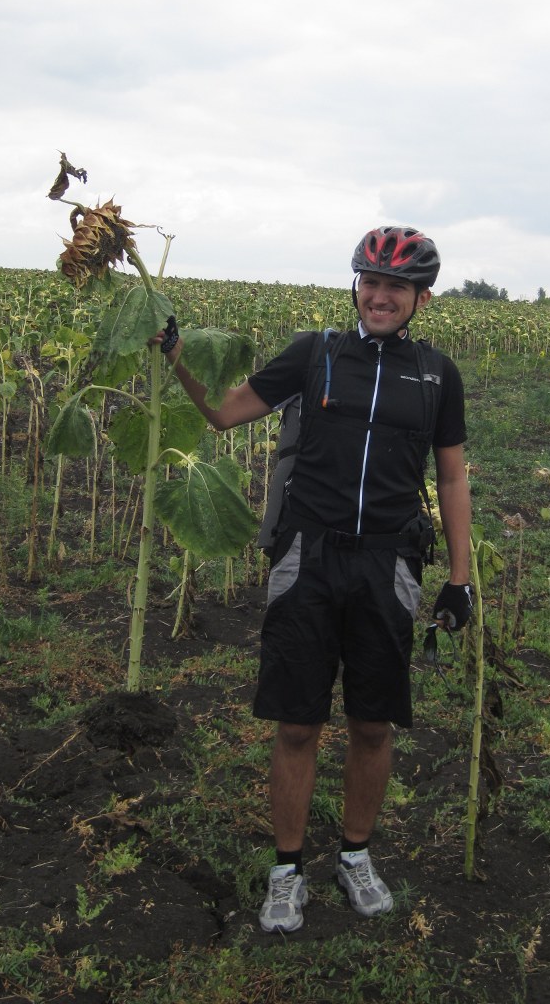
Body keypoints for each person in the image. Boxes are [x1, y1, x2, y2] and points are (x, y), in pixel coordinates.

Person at [156, 225, 472, 934]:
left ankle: (355, 855)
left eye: (396, 287)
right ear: (356, 286)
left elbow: (452, 477)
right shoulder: (316, 352)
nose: (380, 296)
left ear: (422, 298)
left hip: (389, 563)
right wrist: (177, 357)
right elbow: (224, 412)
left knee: (373, 722)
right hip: (308, 556)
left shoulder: (436, 375)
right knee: (297, 722)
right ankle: (287, 869)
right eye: (370, 282)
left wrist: (459, 578)